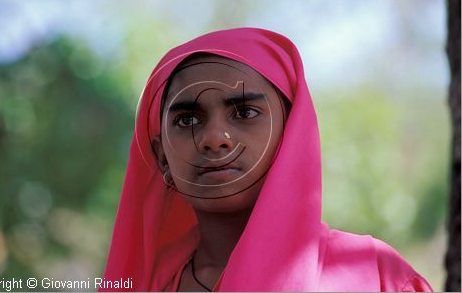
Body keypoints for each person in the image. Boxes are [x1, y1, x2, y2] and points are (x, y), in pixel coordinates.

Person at [100, 27, 433, 291]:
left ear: (291, 136)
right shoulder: (140, 284)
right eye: (187, 120)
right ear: (162, 159)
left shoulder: (374, 276)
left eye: (245, 111)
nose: (215, 138)